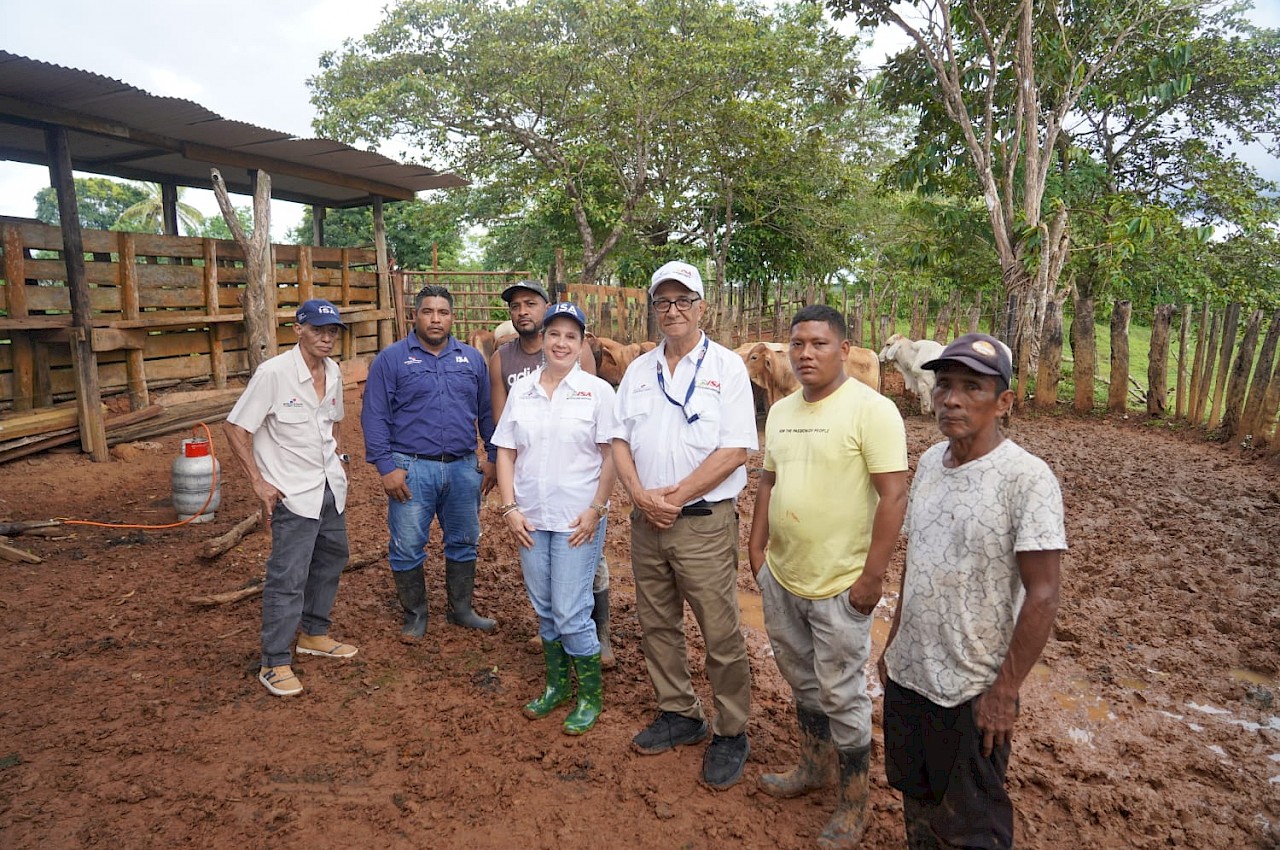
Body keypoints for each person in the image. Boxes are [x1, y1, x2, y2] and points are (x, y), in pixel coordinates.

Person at [880, 333, 1066, 850]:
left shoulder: (1027, 479)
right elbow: (918, 561)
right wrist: (894, 644)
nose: (952, 399)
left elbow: (1044, 594)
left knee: (971, 824)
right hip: (911, 674)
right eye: (944, 385)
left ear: (1003, 402)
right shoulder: (929, 464)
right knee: (916, 798)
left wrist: (1004, 691)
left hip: (972, 687)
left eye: (971, 387)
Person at [748, 305, 908, 848]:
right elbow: (768, 481)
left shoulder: (873, 410)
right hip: (783, 575)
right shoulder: (781, 411)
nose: (805, 354)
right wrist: (756, 550)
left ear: (844, 350)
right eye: (797, 344)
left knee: (842, 693)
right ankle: (814, 766)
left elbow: (893, 495)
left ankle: (853, 802)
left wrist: (871, 578)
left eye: (818, 344)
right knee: (801, 677)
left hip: (841, 583)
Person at [613, 260, 758, 790]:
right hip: (646, 519)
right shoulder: (638, 370)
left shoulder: (727, 368)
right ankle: (679, 712)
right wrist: (638, 495)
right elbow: (619, 440)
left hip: (702, 523)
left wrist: (673, 498)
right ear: (653, 309)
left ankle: (731, 730)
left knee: (719, 630)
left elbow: (736, 450)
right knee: (656, 623)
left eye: (682, 301)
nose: (672, 310)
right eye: (663, 302)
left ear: (702, 307)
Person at [493, 302, 619, 734]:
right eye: (554, 335)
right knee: (545, 609)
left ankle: (589, 697)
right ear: (542, 339)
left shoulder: (597, 392)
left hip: (576, 520)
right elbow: (506, 451)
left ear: (582, 343)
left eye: (571, 336)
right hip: (531, 518)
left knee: (570, 610)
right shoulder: (523, 391)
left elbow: (611, 456)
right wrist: (509, 507)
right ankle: (557, 686)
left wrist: (597, 509)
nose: (561, 343)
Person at [224, 299, 357, 698]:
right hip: (292, 493)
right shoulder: (274, 374)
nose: (326, 338)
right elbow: (235, 428)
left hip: (329, 487)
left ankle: (314, 633)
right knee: (288, 575)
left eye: (332, 331)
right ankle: (274, 660)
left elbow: (333, 422)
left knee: (332, 559)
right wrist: (258, 483)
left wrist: (338, 458)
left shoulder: (333, 372)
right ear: (298, 329)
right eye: (318, 330)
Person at [362, 284, 498, 640]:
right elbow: (374, 416)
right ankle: (416, 614)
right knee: (407, 544)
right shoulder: (391, 360)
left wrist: (493, 456)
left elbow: (486, 412)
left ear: (452, 317)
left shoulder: (471, 360)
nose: (435, 319)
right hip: (411, 468)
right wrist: (386, 467)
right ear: (415, 315)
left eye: (443, 312)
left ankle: (461, 609)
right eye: (428, 312)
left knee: (464, 539)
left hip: (463, 467)